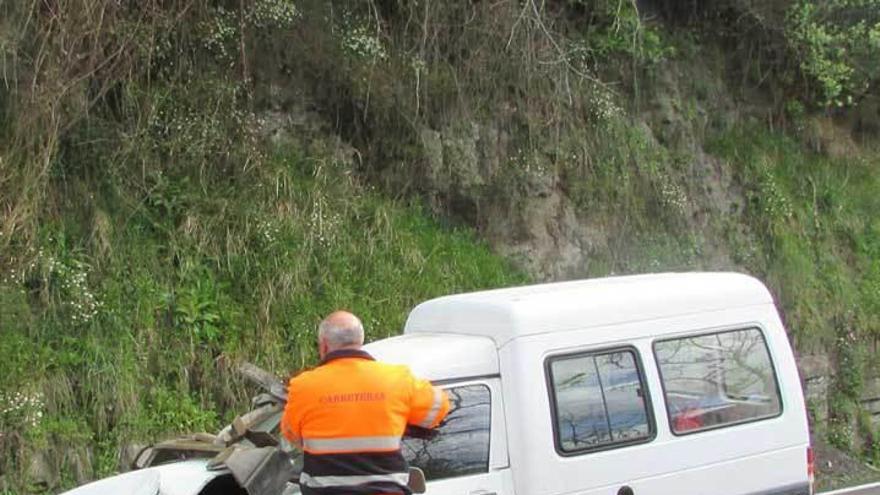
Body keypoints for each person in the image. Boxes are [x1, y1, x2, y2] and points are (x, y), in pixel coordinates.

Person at [281, 310, 450, 495]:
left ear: (323, 346)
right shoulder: (398, 379)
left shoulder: (303, 386)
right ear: (360, 341)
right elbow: (439, 409)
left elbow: (293, 436)